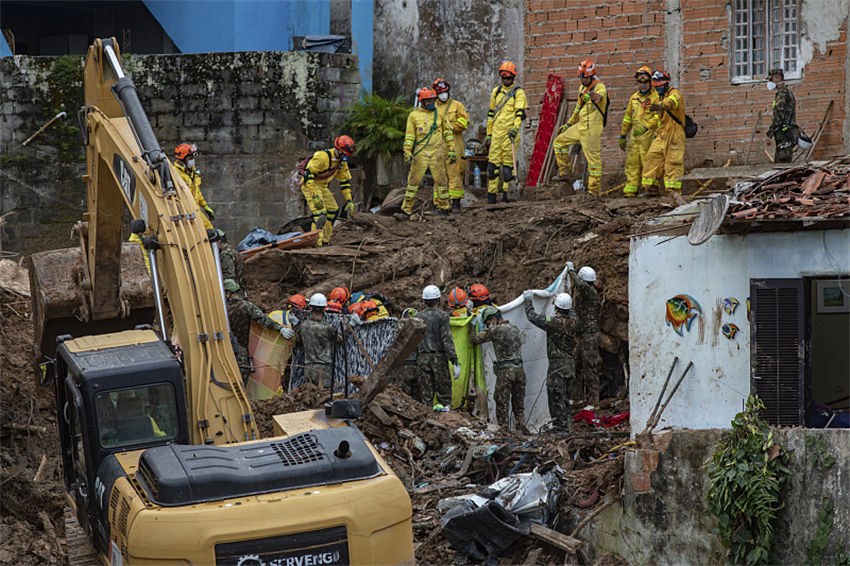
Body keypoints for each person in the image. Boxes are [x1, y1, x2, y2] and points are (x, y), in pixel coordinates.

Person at [396, 88, 456, 220]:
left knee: (441, 181)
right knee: (413, 182)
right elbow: (410, 136)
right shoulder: (413, 116)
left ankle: (444, 208)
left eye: (433, 100)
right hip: (420, 153)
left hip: (437, 152)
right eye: (428, 101)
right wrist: (407, 151)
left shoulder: (439, 114)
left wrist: (451, 149)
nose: (431, 103)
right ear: (422, 101)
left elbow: (447, 132)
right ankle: (406, 211)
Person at [523, 291, 578, 431]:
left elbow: (532, 317)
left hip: (557, 366)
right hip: (570, 365)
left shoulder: (554, 322)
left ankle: (560, 429)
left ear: (557, 308)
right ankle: (568, 426)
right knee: (566, 399)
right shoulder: (574, 321)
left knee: (556, 399)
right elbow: (571, 313)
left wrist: (528, 300)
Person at [469, 306, 528, 432]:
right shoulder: (515, 327)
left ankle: (504, 429)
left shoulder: (495, 330)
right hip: (520, 370)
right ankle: (520, 425)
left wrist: (471, 326)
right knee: (519, 403)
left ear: (494, 319)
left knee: (502, 402)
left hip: (505, 371)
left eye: (488, 323)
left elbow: (474, 340)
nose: (488, 325)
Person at [553, 60, 608, 195]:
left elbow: (601, 96)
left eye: (585, 78)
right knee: (559, 143)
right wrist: (569, 123)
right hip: (581, 126)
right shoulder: (582, 89)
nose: (583, 80)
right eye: (581, 77)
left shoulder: (600, 87)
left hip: (592, 129)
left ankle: (593, 192)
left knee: (593, 162)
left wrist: (597, 97)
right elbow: (578, 108)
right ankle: (565, 173)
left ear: (591, 76)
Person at [223, 278, 287, 382]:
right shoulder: (245, 306)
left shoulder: (220, 308)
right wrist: (280, 328)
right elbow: (263, 319)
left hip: (221, 349)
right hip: (239, 351)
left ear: (227, 293)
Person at [301, 135, 356, 246]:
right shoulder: (322, 158)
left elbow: (344, 182)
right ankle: (315, 243)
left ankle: (325, 241)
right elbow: (309, 175)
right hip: (310, 185)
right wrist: (314, 195)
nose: (346, 157)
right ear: (339, 150)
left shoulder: (341, 162)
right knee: (320, 214)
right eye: (345, 154)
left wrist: (349, 200)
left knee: (333, 211)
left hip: (322, 186)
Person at [485, 61, 527, 204]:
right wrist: (489, 133)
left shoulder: (518, 93)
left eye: (508, 78)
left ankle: (506, 196)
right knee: (493, 167)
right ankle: (491, 195)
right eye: (504, 78)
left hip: (510, 135)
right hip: (496, 135)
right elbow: (491, 114)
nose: (506, 80)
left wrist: (516, 128)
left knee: (508, 169)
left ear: (513, 78)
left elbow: (519, 112)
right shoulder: (496, 92)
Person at [641, 70, 686, 201]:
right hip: (662, 133)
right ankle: (651, 190)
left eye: (659, 86)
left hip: (675, 134)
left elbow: (671, 102)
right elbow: (658, 118)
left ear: (666, 84)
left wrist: (661, 105)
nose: (657, 89)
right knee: (651, 158)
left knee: (673, 163)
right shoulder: (658, 97)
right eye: (655, 87)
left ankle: (674, 193)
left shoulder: (675, 94)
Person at [415, 285, 461, 408]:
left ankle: (427, 420)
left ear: (424, 300)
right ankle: (446, 420)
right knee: (444, 394)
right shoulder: (443, 316)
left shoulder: (418, 317)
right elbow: (447, 340)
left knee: (426, 396)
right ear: (438, 300)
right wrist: (455, 361)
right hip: (439, 358)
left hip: (423, 358)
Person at [620, 66, 661, 197]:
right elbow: (628, 118)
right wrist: (623, 135)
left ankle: (651, 190)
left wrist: (647, 127)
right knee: (632, 164)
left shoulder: (656, 97)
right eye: (640, 82)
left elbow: (659, 117)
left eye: (645, 82)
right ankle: (630, 191)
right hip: (634, 138)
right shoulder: (634, 98)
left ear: (650, 82)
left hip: (649, 137)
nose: (642, 85)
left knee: (648, 164)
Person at [433, 78, 471, 212]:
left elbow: (465, 122)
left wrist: (451, 127)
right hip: (438, 144)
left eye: (444, 92)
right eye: (440, 93)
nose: (442, 95)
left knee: (455, 172)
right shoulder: (433, 107)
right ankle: (439, 204)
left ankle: (455, 203)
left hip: (454, 143)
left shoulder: (457, 106)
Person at [292, 293, 343, 388]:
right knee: (323, 396)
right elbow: (340, 340)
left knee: (309, 396)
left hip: (308, 367)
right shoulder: (327, 329)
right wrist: (351, 325)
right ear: (324, 309)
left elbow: (297, 343)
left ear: (310, 308)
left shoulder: (303, 326)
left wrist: (295, 325)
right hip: (323, 370)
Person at [567, 263, 601, 405]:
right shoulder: (584, 295)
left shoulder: (590, 293)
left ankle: (594, 402)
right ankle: (577, 397)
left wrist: (571, 271)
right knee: (576, 365)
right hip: (583, 336)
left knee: (590, 368)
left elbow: (581, 286)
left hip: (590, 336)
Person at [174, 143, 214, 230]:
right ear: (183, 159)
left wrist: (205, 206)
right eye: (190, 158)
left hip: (195, 209)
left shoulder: (193, 171)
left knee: (209, 229)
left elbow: (197, 191)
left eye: (193, 157)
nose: (193, 160)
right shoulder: (175, 173)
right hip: (184, 211)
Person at [766, 68, 797, 163]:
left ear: (778, 78)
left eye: (771, 79)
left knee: (782, 164)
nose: (770, 82)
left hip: (784, 135)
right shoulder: (787, 92)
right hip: (787, 133)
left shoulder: (782, 93)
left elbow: (779, 116)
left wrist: (769, 134)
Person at [398, 308, 421, 400]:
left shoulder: (399, 332)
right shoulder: (420, 331)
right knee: (417, 398)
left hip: (403, 367)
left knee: (404, 397)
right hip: (417, 366)